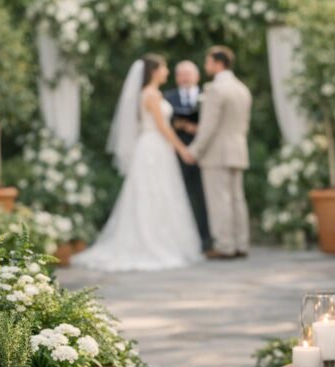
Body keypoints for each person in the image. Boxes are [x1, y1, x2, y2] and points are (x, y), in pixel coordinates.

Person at [73, 54, 202, 272]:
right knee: (151, 193)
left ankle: (166, 240)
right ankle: (151, 242)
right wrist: (182, 149)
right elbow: (163, 127)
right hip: (152, 147)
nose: (167, 72)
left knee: (162, 193)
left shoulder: (154, 93)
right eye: (164, 68)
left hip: (157, 148)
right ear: (153, 71)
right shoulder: (150, 94)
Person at [183, 46, 253, 259]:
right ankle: (241, 243)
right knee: (237, 199)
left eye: (208, 61)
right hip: (238, 150)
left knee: (220, 200)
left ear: (218, 63)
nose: (206, 65)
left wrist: (193, 150)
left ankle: (224, 246)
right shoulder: (242, 89)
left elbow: (208, 126)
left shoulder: (215, 89)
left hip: (217, 153)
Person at [163, 61, 212, 252]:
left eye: (188, 74)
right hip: (176, 153)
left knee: (203, 196)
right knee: (179, 195)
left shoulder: (207, 96)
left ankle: (205, 238)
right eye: (181, 74)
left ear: (197, 76)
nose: (185, 77)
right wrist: (181, 126)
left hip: (203, 154)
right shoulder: (168, 97)